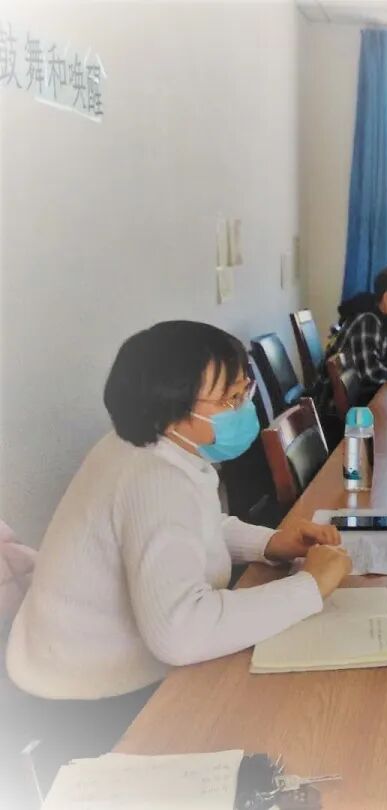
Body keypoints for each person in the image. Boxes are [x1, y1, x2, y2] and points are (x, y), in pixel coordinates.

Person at [5, 321, 352, 784]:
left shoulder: (148, 447)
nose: (244, 407)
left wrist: (270, 543)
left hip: (74, 663)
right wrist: (310, 587)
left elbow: (196, 526)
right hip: (86, 703)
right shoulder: (152, 477)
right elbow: (182, 632)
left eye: (244, 391)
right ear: (171, 409)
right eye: (229, 400)